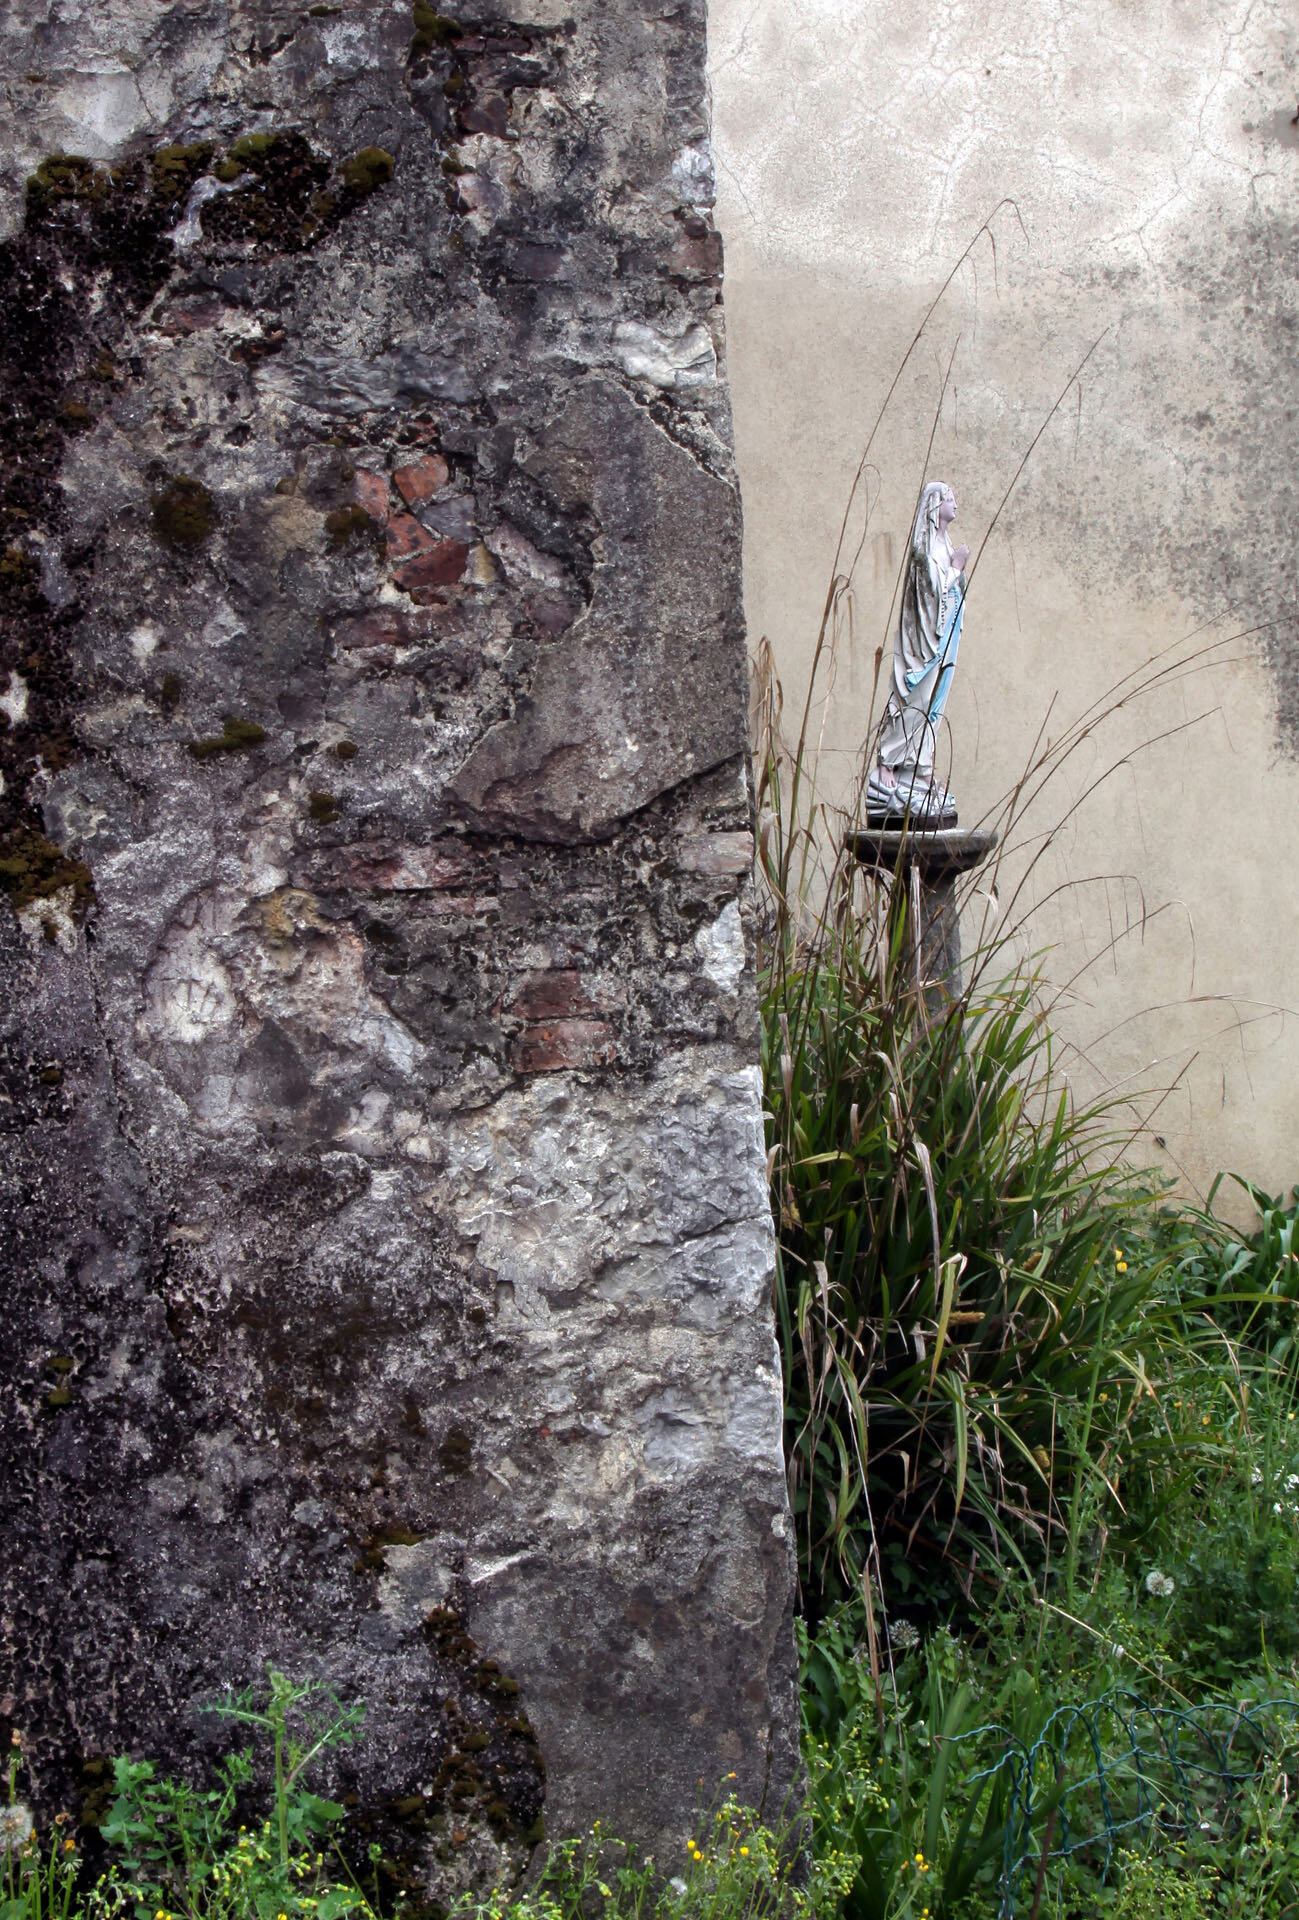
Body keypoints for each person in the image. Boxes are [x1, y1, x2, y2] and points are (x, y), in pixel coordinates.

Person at [867, 479, 969, 825]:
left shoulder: (945, 544)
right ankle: (888, 765)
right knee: (916, 702)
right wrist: (955, 569)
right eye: (950, 499)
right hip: (924, 646)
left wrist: (957, 573)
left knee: (934, 708)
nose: (955, 504)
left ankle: (921, 770)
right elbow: (929, 595)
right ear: (934, 504)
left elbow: (953, 593)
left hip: (945, 641)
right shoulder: (924, 552)